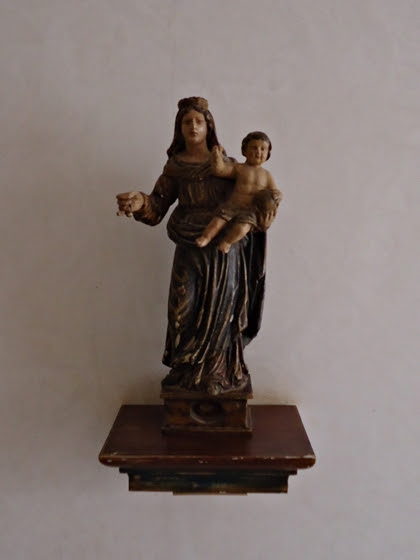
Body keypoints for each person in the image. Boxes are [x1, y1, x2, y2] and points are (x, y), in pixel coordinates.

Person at [116, 97, 268, 396]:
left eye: (199, 121)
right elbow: (157, 207)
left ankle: (217, 375)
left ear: (209, 126)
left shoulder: (227, 166)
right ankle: (186, 373)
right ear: (179, 128)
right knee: (181, 310)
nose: (193, 126)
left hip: (223, 250)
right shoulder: (175, 167)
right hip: (188, 245)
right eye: (187, 122)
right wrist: (139, 202)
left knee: (221, 313)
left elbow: (250, 199)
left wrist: (264, 207)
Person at [196, 132, 282, 253]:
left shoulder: (267, 175)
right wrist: (216, 157)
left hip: (249, 211)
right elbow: (220, 171)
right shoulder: (239, 168)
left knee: (243, 228)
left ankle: (227, 242)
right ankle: (206, 237)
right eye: (254, 148)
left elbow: (274, 193)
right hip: (232, 205)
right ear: (244, 150)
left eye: (263, 149)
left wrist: (278, 196)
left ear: (268, 154)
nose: (258, 152)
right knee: (217, 221)